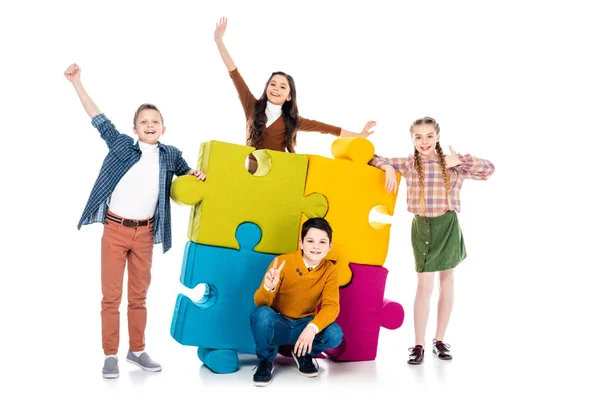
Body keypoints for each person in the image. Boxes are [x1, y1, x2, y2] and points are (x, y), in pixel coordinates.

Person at [64, 63, 206, 379]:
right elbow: (97, 118)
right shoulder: (121, 146)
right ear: (135, 129)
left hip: (145, 233)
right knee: (111, 297)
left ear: (164, 128)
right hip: (115, 230)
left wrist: (196, 173)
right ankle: (110, 354)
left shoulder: (170, 154)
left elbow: (187, 176)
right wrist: (77, 83)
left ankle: (137, 350)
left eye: (155, 121)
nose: (150, 124)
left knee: (138, 297)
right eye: (144, 121)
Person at [369, 116, 495, 365]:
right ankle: (418, 344)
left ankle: (439, 339)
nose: (424, 141)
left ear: (437, 136)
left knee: (447, 281)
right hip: (422, 228)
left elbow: (489, 169)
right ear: (412, 139)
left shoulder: (452, 164)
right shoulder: (408, 164)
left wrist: (461, 159)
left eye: (429, 136)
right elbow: (372, 157)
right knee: (424, 286)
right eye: (418, 137)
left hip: (447, 226)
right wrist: (386, 168)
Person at [213, 17, 376, 172]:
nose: (276, 89)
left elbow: (327, 128)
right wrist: (219, 42)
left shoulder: (291, 120)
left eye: (283, 87)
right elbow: (234, 73)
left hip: (279, 172)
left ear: (289, 96)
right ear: (267, 87)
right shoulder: (252, 106)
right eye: (273, 84)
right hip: (252, 172)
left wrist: (359, 135)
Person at [250, 217, 343, 386]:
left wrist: (312, 328)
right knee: (261, 314)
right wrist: (268, 287)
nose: (316, 246)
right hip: (279, 323)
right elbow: (260, 304)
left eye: (322, 242)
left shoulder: (329, 270)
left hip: (304, 326)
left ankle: (302, 352)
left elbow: (332, 306)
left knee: (335, 335)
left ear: (330, 246)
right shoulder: (283, 262)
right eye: (310, 241)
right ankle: (265, 361)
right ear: (301, 243)